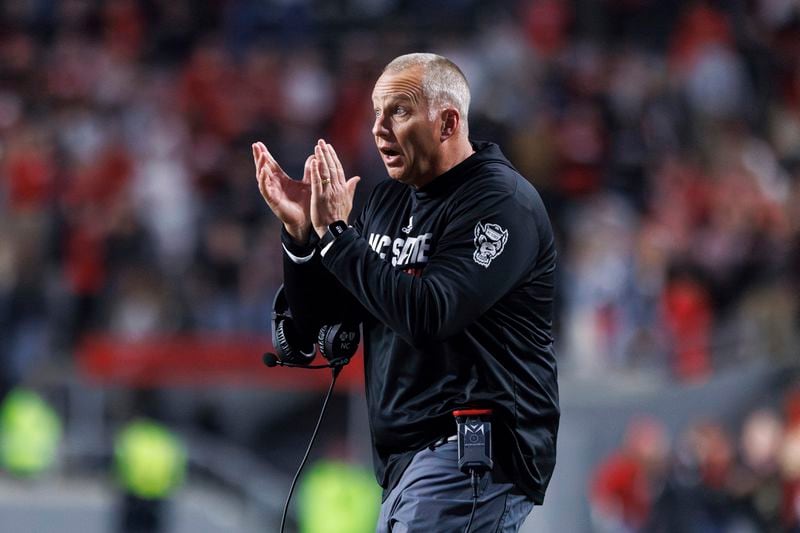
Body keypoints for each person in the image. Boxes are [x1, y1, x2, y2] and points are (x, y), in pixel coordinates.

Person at [253, 52, 559, 532]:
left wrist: (336, 233)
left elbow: (429, 315)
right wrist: (302, 240)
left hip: (470, 454)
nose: (377, 128)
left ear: (447, 122)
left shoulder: (501, 202)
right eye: (376, 111)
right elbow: (325, 321)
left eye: (398, 110)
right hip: (406, 466)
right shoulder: (387, 201)